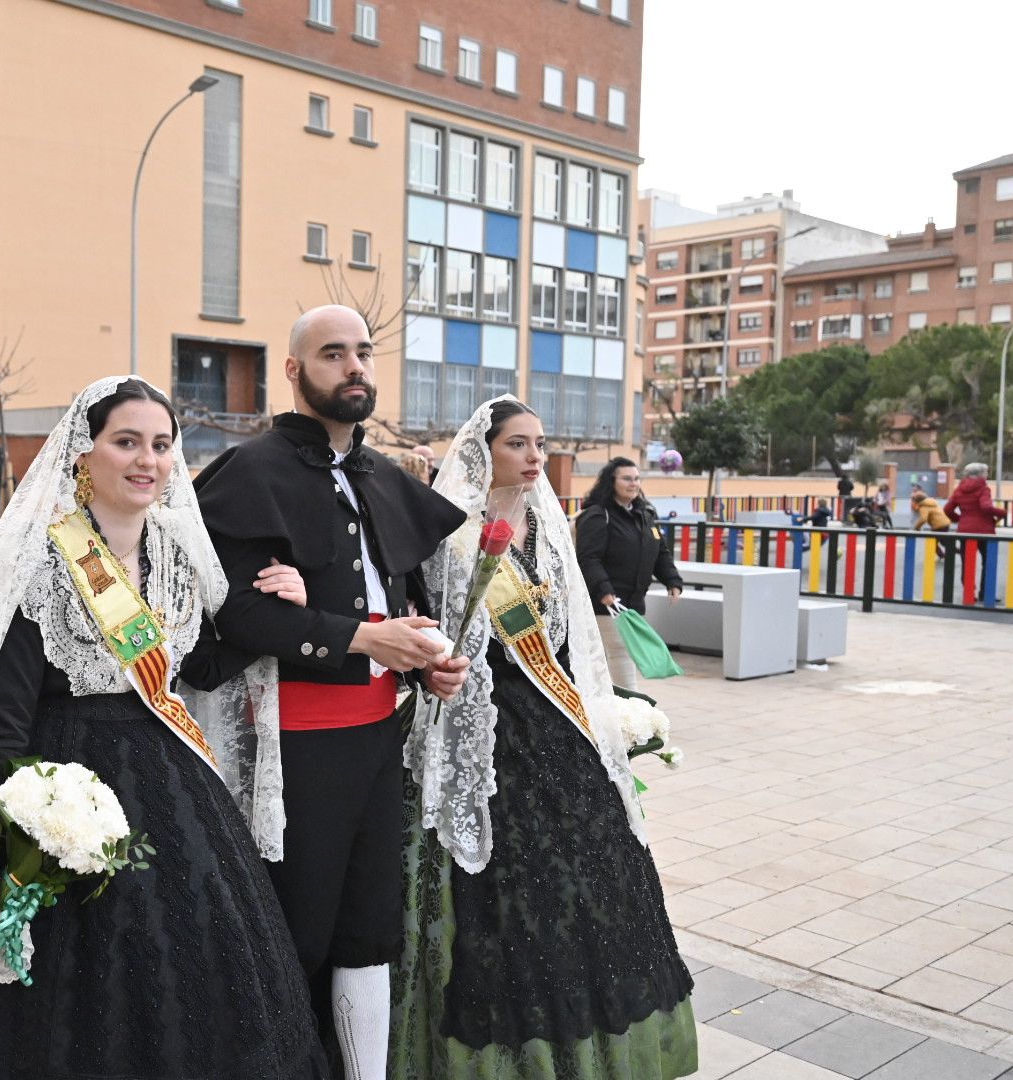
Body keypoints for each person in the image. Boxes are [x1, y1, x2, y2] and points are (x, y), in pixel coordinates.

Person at [0, 376, 325, 1080]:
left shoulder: (175, 554)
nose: (147, 460)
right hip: (61, 791)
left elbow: (198, 666)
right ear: (83, 452)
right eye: (126, 442)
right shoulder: (41, 563)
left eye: (161, 444)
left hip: (172, 788)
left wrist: (285, 613)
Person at [194, 304, 468, 1074]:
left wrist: (423, 661)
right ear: (294, 370)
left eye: (364, 353)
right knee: (299, 936)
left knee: (369, 932)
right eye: (333, 354)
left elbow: (401, 601)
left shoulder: (382, 475)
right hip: (298, 747)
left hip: (378, 739)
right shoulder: (252, 470)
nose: (354, 367)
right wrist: (362, 638)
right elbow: (235, 613)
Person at [396, 396, 697, 1079]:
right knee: (500, 900)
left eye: (539, 444)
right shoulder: (449, 533)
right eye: (518, 444)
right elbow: (428, 629)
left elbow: (569, 643)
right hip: (485, 729)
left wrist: (603, 713)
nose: (534, 457)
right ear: (483, 453)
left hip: (556, 727)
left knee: (589, 888)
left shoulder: (547, 529)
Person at [574, 456, 683, 691]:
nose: (633, 484)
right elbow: (588, 558)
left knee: (616, 657)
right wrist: (604, 590)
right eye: (626, 479)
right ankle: (631, 706)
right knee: (620, 654)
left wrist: (672, 581)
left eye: (636, 478)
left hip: (633, 602)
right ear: (611, 482)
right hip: (607, 602)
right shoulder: (597, 515)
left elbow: (660, 552)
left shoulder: (645, 514)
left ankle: (613, 704)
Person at [945, 463, 1008, 535]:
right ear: (981, 474)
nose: (987, 475)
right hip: (983, 529)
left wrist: (960, 519)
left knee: (965, 543)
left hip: (963, 530)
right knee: (990, 543)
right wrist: (1003, 513)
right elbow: (986, 507)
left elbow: (947, 509)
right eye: (986, 472)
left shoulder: (959, 489)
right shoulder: (983, 489)